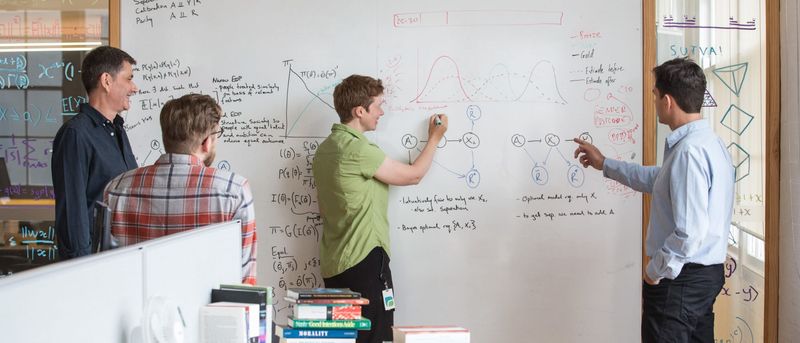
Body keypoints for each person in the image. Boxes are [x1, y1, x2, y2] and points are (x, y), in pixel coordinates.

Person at [573, 57, 734, 342]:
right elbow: (657, 180)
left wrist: (654, 271)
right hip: (702, 277)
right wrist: (604, 164)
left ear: (668, 101)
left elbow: (689, 232)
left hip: (679, 280)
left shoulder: (688, 152)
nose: (655, 102)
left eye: (655, 96)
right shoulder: (709, 143)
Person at [312, 75, 447, 343]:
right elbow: (413, 175)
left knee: (347, 338)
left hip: (335, 265)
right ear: (359, 111)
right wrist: (434, 137)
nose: (382, 112)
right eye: (378, 106)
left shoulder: (325, 150)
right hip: (365, 261)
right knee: (375, 336)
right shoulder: (359, 150)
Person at [103, 93, 257, 285]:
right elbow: (244, 282)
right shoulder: (233, 191)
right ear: (206, 142)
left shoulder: (116, 188)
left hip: (134, 313)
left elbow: (106, 272)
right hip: (208, 314)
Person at [52, 46, 139, 259]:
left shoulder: (117, 130)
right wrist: (83, 269)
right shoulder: (76, 134)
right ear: (107, 81)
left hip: (122, 257)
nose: (134, 88)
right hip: (94, 263)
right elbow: (73, 211)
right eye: (129, 79)